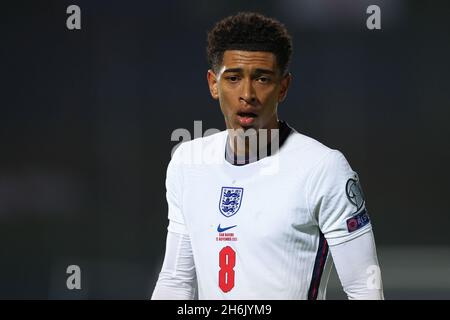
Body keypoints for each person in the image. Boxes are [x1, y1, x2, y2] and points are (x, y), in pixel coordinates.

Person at [152, 12, 384, 300]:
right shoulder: (187, 163)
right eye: (233, 78)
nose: (247, 93)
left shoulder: (324, 168)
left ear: (283, 87)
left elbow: (364, 288)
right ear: (213, 84)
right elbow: (176, 280)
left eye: (262, 78)